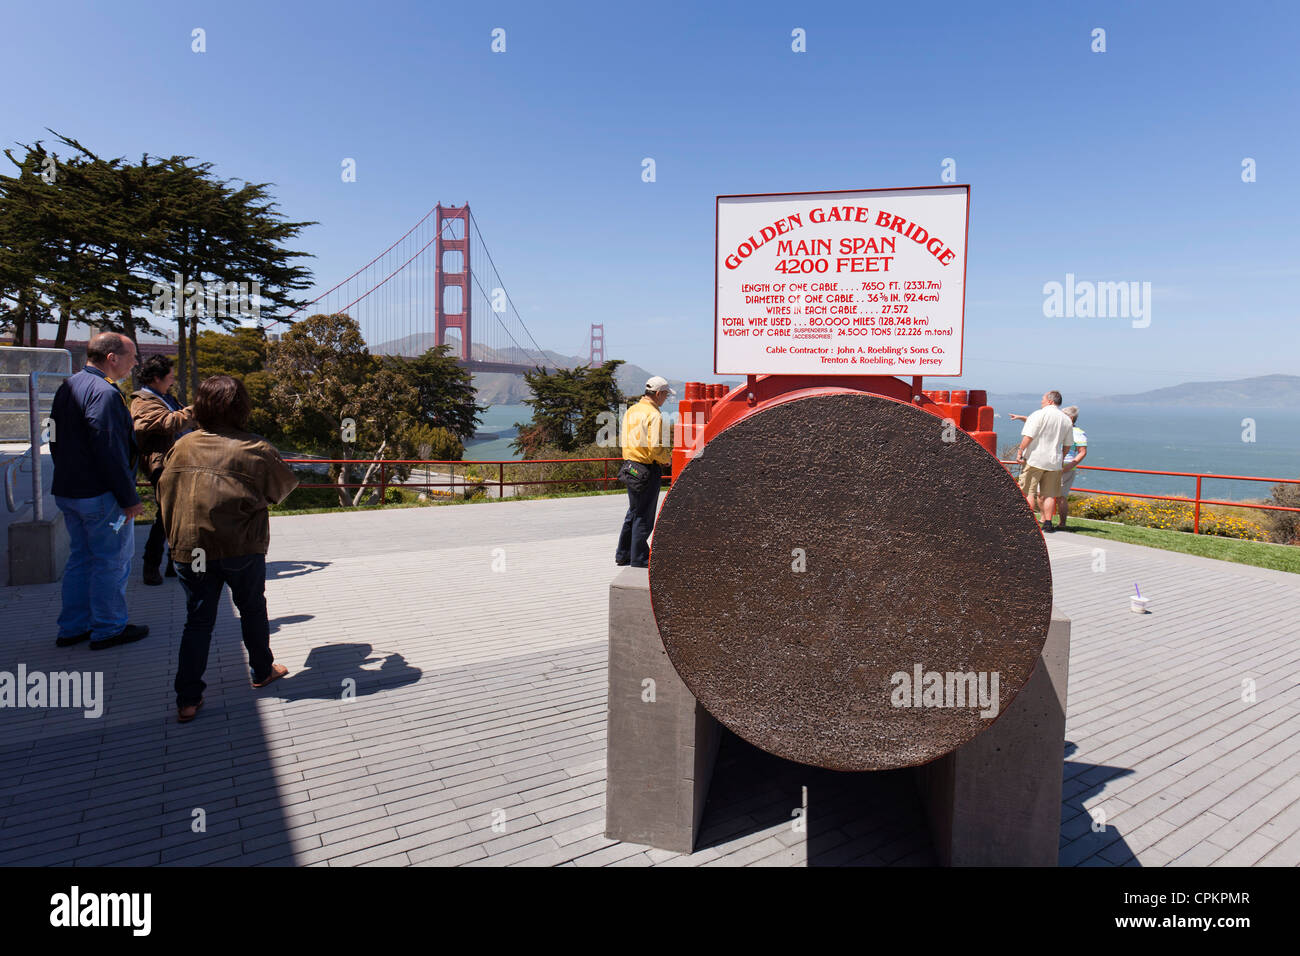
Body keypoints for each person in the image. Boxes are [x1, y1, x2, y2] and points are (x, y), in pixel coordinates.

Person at [158, 375, 299, 723]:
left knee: (198, 621)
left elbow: (164, 490)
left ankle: (188, 700)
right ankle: (262, 671)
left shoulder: (183, 445)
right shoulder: (256, 448)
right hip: (240, 547)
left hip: (190, 548)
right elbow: (282, 490)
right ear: (242, 408)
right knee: (251, 608)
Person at [49, 331, 150, 649]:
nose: (135, 362)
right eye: (132, 356)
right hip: (101, 495)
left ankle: (73, 627)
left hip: (69, 490)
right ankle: (108, 628)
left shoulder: (69, 385)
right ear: (112, 358)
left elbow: (52, 436)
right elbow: (110, 449)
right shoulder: (105, 394)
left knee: (80, 558)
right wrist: (128, 497)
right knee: (112, 560)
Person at [130, 354, 193, 585]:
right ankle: (151, 564)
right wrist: (198, 409)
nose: (173, 380)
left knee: (177, 515)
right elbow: (167, 423)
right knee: (166, 515)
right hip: (162, 465)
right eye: (170, 376)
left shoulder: (165, 397)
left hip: (178, 462)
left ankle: (173, 563)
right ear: (156, 378)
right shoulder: (143, 402)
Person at [615, 375, 674, 568]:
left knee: (633, 511)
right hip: (647, 468)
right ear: (658, 394)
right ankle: (640, 558)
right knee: (644, 515)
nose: (665, 399)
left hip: (630, 466)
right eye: (665, 395)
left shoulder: (632, 411)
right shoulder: (654, 415)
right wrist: (666, 460)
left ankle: (623, 553)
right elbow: (655, 447)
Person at [1014, 390, 1074, 533]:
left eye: (1043, 399)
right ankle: (1048, 522)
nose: (1041, 401)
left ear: (1050, 401)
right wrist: (1062, 457)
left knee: (1028, 491)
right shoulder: (1066, 419)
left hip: (1035, 458)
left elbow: (1029, 436)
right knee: (1049, 494)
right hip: (1054, 461)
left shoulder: (1038, 414)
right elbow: (1067, 444)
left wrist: (1020, 450)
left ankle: (1027, 522)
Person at [1056, 406, 1089, 530]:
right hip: (1053, 464)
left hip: (1066, 466)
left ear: (1070, 418)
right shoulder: (1058, 430)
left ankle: (1062, 523)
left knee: (1061, 496)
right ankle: (1045, 520)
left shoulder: (1078, 433)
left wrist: (1069, 466)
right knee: (1043, 494)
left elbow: (1082, 451)